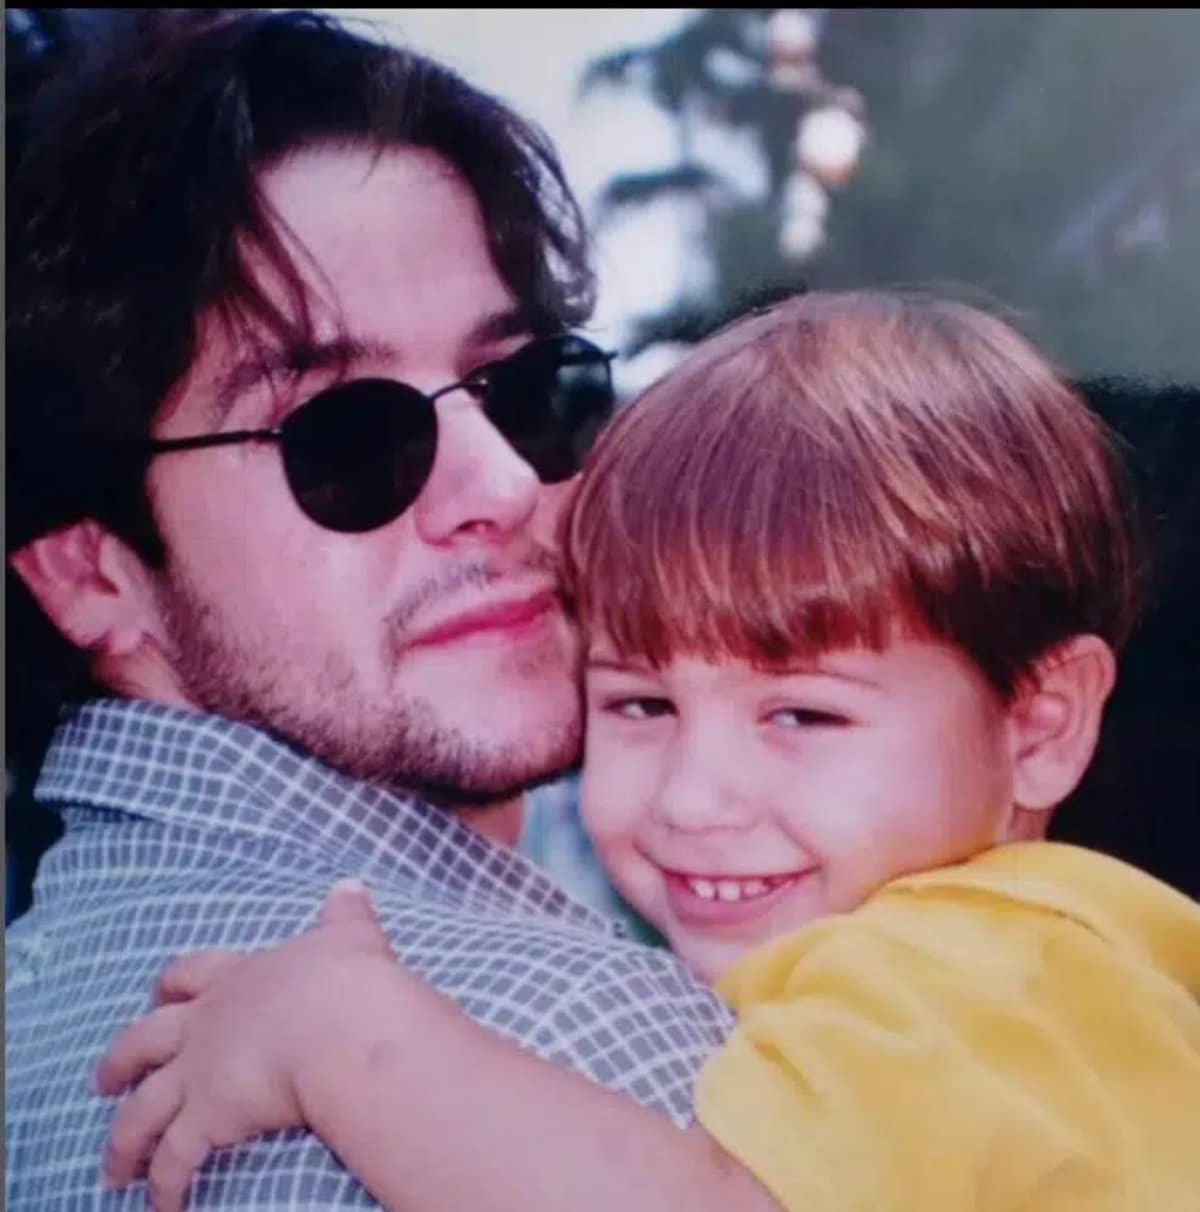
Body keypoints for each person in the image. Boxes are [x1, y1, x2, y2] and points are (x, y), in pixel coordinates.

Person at [96, 291, 1200, 1212]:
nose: (693, 797)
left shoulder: (965, 973)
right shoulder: (1044, 959)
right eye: (640, 706)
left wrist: (346, 1041)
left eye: (802, 715)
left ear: (1040, 726)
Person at [4, 10, 734, 1210]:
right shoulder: (570, 1061)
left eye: (527, 391)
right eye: (344, 439)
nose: (501, 486)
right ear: (90, 571)